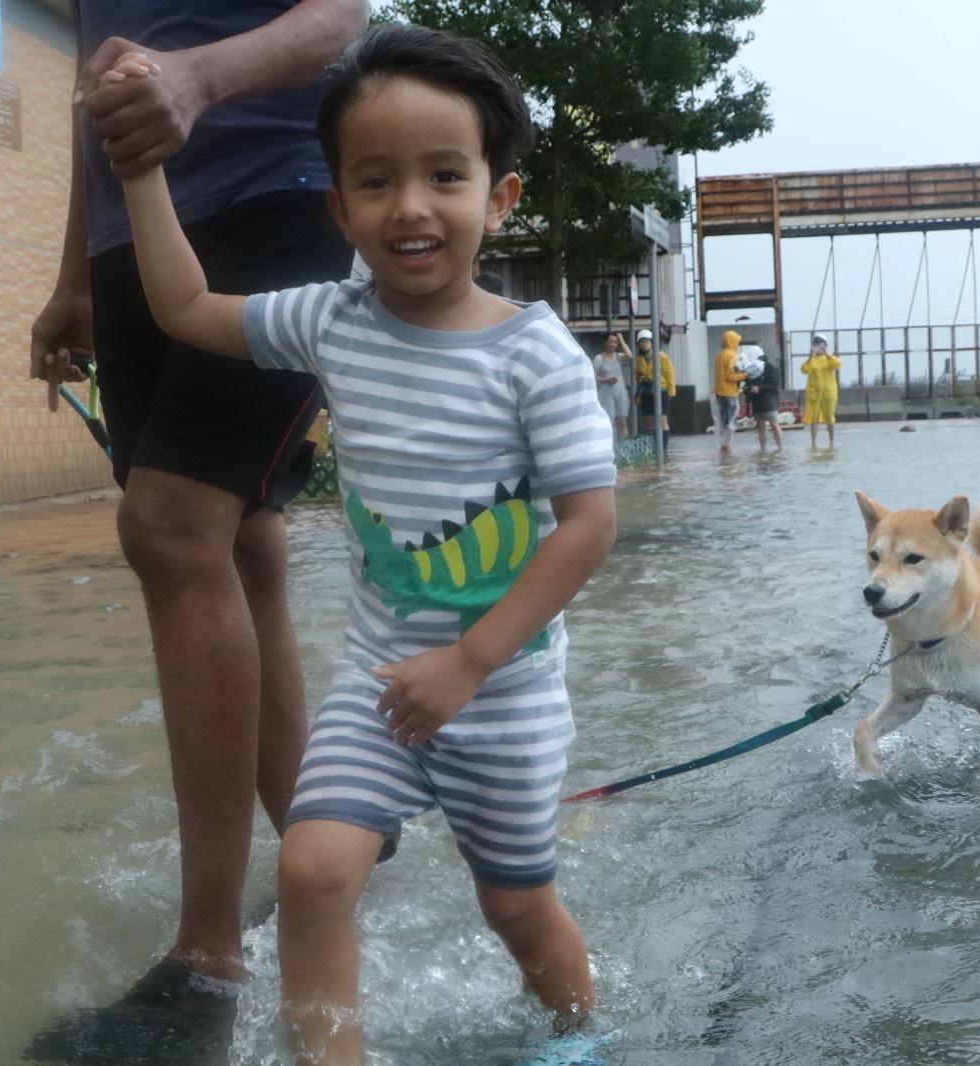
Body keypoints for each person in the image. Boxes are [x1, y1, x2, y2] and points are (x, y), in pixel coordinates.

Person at [101, 25, 617, 1064]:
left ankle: (578, 1035)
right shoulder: (331, 321)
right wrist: (143, 171)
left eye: (443, 175)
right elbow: (186, 305)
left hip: (503, 693)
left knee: (517, 908)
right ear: (337, 209)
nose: (410, 206)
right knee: (313, 867)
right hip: (379, 688)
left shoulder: (535, 354)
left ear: (498, 198)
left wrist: (471, 661)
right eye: (374, 181)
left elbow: (590, 524)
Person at [24, 2, 365, 1058]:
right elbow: (100, 85)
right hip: (138, 230)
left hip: (281, 196)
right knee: (238, 539)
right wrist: (78, 274)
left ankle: (205, 958)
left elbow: (342, 17)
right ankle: (326, 855)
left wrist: (200, 79)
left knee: (170, 527)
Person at [632, 328, 676, 457]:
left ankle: (664, 449)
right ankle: (653, 448)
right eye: (641, 342)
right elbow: (638, 375)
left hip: (661, 390)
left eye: (646, 341)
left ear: (651, 342)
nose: (643, 344)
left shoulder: (661, 356)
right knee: (649, 421)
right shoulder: (639, 359)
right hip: (646, 392)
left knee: (662, 420)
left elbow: (669, 373)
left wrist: (671, 390)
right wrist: (641, 380)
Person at [801, 334, 842, 448]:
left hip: (829, 393)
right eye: (816, 344)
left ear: (825, 345)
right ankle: (813, 443)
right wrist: (810, 356)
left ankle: (832, 442)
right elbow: (804, 370)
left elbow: (837, 364)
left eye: (821, 344)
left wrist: (827, 353)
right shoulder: (811, 360)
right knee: (814, 419)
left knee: (830, 417)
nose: (819, 347)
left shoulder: (830, 359)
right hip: (814, 394)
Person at [713, 328, 747, 460]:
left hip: (719, 392)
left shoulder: (719, 355)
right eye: (737, 342)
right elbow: (730, 375)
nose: (738, 344)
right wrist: (744, 375)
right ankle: (726, 447)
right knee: (731, 421)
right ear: (732, 342)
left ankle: (723, 446)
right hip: (729, 393)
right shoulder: (731, 355)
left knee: (724, 420)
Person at [744, 342, 784, 453]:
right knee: (761, 426)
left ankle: (780, 448)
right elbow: (747, 383)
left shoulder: (770, 367)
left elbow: (774, 383)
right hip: (757, 400)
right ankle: (763, 449)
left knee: (774, 424)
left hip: (769, 400)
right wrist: (748, 390)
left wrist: (760, 388)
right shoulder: (751, 368)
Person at [592, 332, 631, 439]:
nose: (613, 344)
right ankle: (611, 447)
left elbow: (630, 355)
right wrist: (605, 380)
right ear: (606, 342)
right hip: (605, 394)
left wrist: (622, 340)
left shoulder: (619, 356)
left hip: (620, 393)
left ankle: (623, 447)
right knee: (610, 422)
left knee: (622, 421)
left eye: (615, 342)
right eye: (611, 342)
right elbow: (593, 376)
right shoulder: (599, 358)